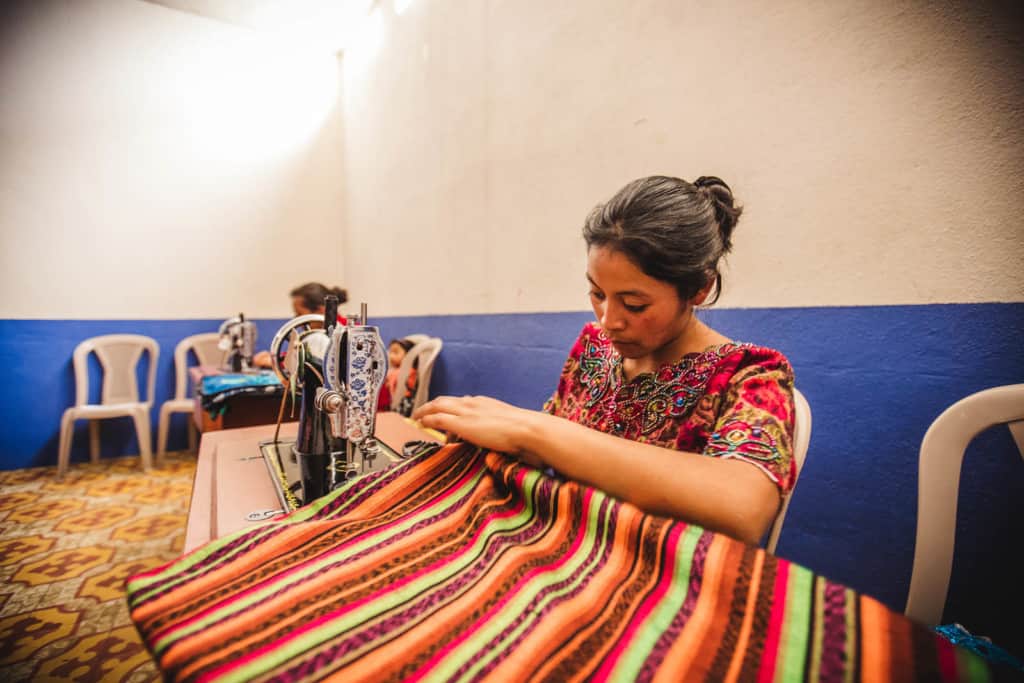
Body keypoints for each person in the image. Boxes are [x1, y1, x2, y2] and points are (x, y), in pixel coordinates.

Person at [414, 176, 795, 545]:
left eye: (634, 304)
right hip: (562, 544)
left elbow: (743, 508)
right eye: (597, 293)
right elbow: (552, 452)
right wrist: (504, 436)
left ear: (700, 288)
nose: (608, 320)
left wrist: (537, 431)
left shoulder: (748, 376)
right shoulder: (595, 348)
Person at [253, 282, 348, 369]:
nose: (297, 319)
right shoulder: (319, 334)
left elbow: (313, 360)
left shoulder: (344, 333)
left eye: (299, 314)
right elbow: (305, 353)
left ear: (320, 311)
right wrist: (280, 358)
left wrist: (275, 361)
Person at [377, 338, 416, 411]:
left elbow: (408, 389)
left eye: (395, 352)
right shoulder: (390, 370)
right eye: (390, 352)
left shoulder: (410, 372)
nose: (391, 356)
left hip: (400, 404)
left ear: (408, 354)